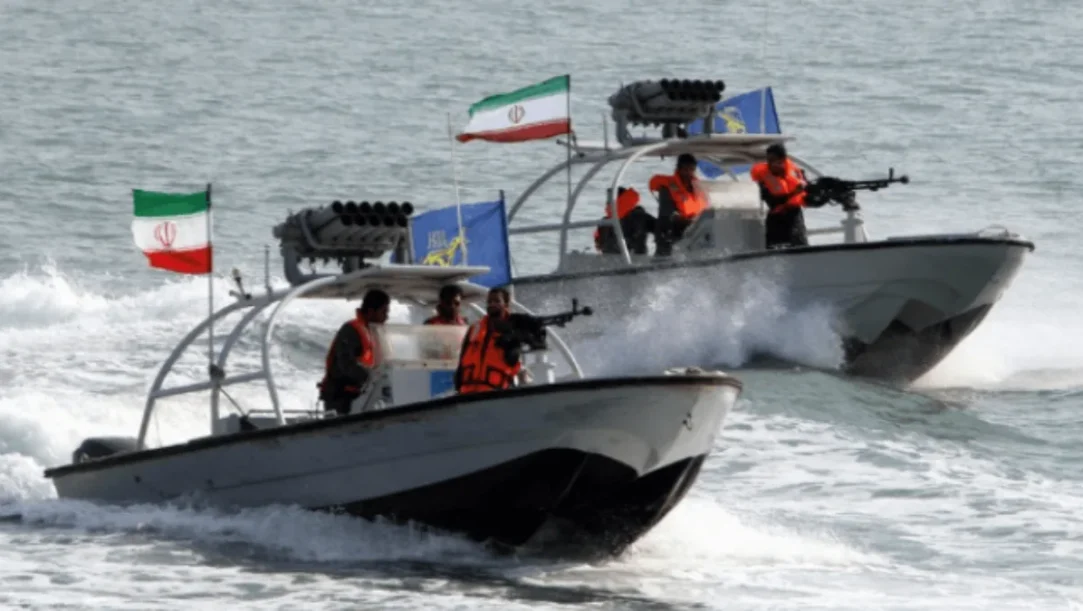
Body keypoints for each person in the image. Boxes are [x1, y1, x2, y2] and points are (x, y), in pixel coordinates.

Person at [317, 288, 390, 416]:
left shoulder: (376, 333)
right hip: (341, 396)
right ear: (371, 311)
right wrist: (370, 376)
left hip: (364, 394)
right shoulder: (351, 330)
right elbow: (346, 364)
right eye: (383, 312)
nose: (386, 317)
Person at [454, 286, 531, 394]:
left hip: (494, 393)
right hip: (467, 393)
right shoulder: (474, 328)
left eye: (496, 301)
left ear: (506, 304)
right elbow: (462, 359)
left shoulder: (513, 331)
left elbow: (514, 362)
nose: (492, 304)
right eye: (489, 301)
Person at [750, 143, 810, 249]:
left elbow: (808, 195)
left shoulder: (798, 174)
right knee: (775, 248)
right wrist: (793, 193)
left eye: (773, 160)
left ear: (782, 161)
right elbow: (771, 201)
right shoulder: (764, 179)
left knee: (800, 246)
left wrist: (806, 188)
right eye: (768, 160)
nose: (769, 164)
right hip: (776, 220)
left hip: (795, 217)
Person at [648, 153, 709, 255]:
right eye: (686, 169)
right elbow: (668, 214)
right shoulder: (668, 187)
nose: (689, 173)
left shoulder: (698, 187)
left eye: (692, 170)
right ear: (679, 169)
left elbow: (706, 207)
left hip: (695, 228)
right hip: (672, 230)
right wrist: (684, 220)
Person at [594, 186, 656, 255]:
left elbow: (661, 230)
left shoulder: (639, 216)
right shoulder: (605, 221)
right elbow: (598, 243)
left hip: (636, 262)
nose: (607, 202)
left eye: (610, 198)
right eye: (608, 198)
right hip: (609, 262)